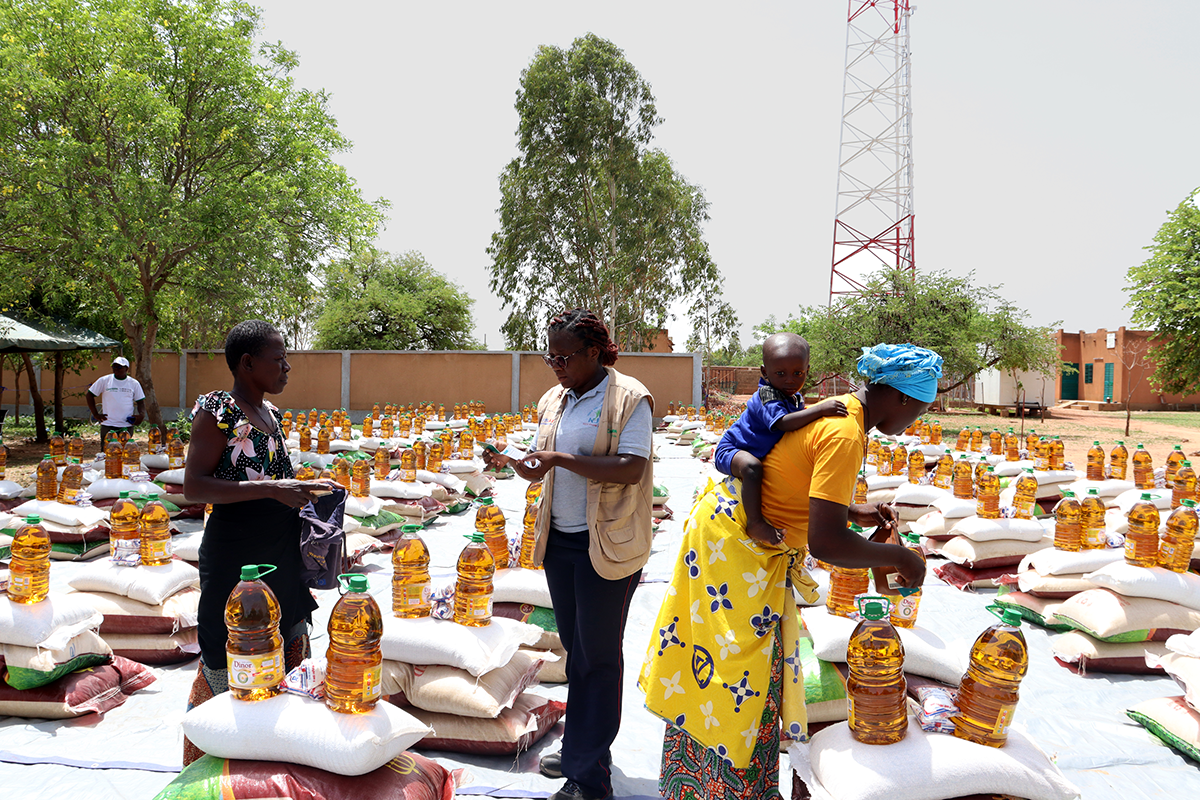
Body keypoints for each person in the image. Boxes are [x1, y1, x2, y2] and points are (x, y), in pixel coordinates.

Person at [641, 343, 942, 800]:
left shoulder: (842, 417)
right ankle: (718, 790)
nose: (915, 420)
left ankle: (721, 787)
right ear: (901, 397)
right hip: (737, 546)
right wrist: (902, 559)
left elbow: (793, 479)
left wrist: (852, 512)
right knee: (737, 675)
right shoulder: (844, 432)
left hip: (734, 540)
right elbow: (826, 543)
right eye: (919, 409)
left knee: (735, 666)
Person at [483, 308, 654, 800]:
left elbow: (631, 468)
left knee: (598, 659)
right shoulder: (553, 399)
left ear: (594, 352)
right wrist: (525, 465)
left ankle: (589, 778)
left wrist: (558, 458)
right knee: (577, 652)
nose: (556, 366)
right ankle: (584, 748)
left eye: (565, 357)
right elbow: (548, 463)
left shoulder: (630, 398)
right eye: (550, 357)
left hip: (609, 546)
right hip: (561, 541)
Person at [181, 320, 335, 764]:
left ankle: (276, 755)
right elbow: (194, 486)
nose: (287, 367)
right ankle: (218, 762)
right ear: (247, 363)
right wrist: (272, 489)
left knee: (285, 637)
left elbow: (269, 480)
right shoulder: (219, 411)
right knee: (234, 646)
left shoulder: (270, 414)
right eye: (278, 359)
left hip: (279, 553)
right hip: (237, 554)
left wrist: (304, 488)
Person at [713, 332, 847, 547]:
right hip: (733, 450)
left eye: (798, 373)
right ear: (765, 372)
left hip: (756, 449)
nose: (790, 380)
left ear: (807, 371)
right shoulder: (768, 395)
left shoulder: (794, 397)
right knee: (752, 468)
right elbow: (783, 423)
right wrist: (820, 409)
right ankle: (755, 523)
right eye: (780, 373)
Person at [86, 356, 146, 440]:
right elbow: (89, 395)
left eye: (119, 367)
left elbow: (140, 402)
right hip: (108, 425)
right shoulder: (104, 380)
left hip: (126, 426)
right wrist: (95, 414)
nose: (116, 369)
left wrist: (141, 415)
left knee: (125, 448)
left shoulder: (134, 383)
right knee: (107, 448)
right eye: (114, 366)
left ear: (126, 368)